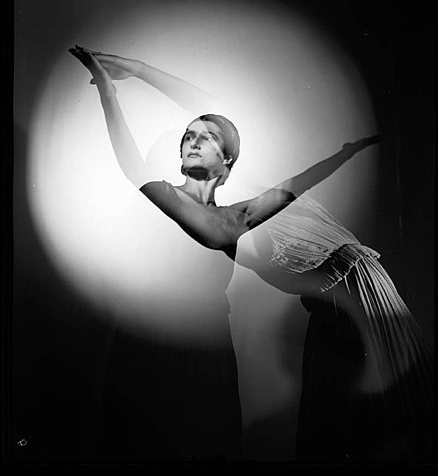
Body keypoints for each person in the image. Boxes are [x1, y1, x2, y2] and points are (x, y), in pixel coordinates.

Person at [69, 46, 433, 463]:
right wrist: (109, 96)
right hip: (338, 309)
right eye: (189, 137)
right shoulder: (215, 223)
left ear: (227, 159)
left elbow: (221, 116)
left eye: (206, 137)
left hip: (366, 283)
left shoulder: (249, 185)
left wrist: (139, 69)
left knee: (401, 428)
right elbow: (132, 166)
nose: (195, 139)